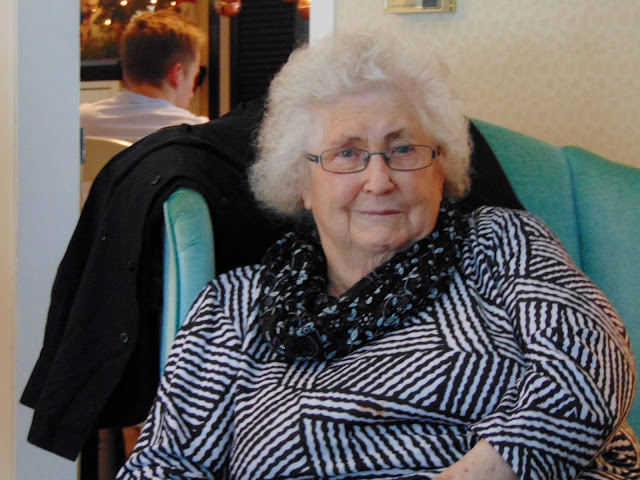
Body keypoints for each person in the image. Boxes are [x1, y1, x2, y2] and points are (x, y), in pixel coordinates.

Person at [117, 26, 640, 479]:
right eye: (347, 153)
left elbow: (592, 367)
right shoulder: (235, 306)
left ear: (441, 169)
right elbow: (164, 465)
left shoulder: (500, 243)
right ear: (302, 182)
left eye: (403, 149)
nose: (379, 180)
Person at [80, 9, 209, 143]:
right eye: (194, 78)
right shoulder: (199, 133)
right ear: (176, 74)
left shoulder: (80, 121)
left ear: (126, 71)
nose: (191, 94)